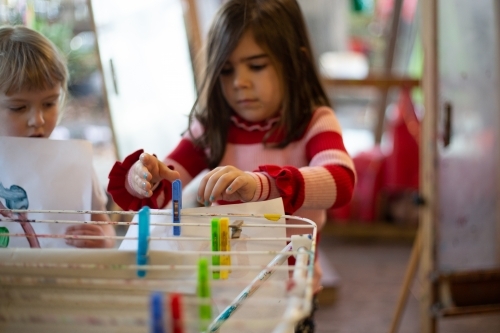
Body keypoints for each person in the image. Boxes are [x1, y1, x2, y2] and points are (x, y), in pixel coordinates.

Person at [108, 0, 355, 330]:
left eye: (256, 66)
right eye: (227, 70)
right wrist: (143, 178)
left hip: (288, 297)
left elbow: (341, 180)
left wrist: (263, 186)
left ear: (295, 62)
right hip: (217, 292)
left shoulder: (313, 122)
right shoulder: (211, 129)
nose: (239, 81)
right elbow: (168, 189)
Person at [0, 25, 115, 248]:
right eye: (19, 107)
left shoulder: (74, 164)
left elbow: (105, 226)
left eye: (49, 103)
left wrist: (103, 239)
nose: (38, 120)